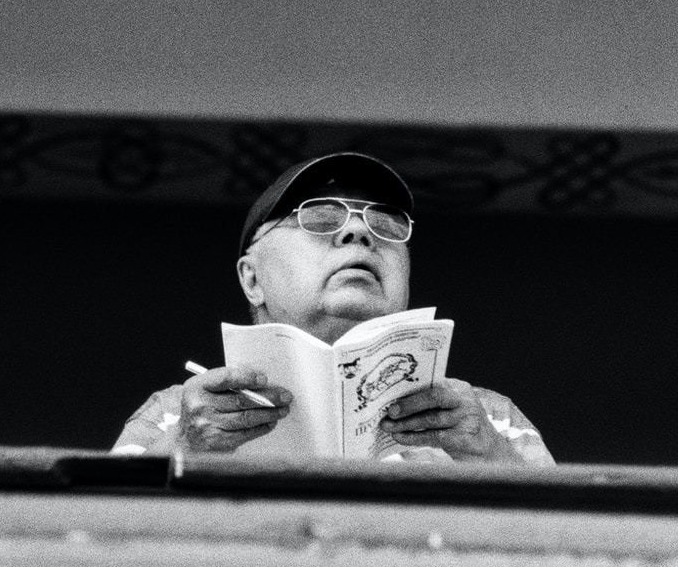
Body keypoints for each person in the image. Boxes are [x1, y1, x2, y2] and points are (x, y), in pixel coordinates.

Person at [112, 152, 551, 464]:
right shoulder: (180, 413)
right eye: (320, 219)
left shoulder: (487, 418)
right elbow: (102, 535)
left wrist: (488, 453)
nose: (359, 231)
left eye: (385, 225)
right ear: (252, 278)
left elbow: (567, 540)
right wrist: (185, 447)